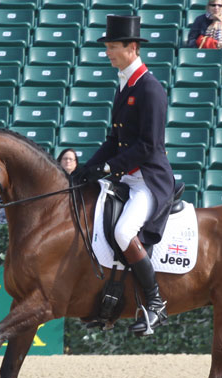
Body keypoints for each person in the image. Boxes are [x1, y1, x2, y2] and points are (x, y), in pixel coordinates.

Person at [73, 15, 175, 336]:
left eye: (112, 47)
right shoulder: (124, 84)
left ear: (132, 48)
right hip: (125, 177)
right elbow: (114, 140)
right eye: (107, 47)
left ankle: (156, 304)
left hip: (148, 180)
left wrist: (108, 168)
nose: (107, 52)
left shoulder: (150, 89)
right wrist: (87, 168)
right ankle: (106, 300)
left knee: (122, 231)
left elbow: (148, 146)